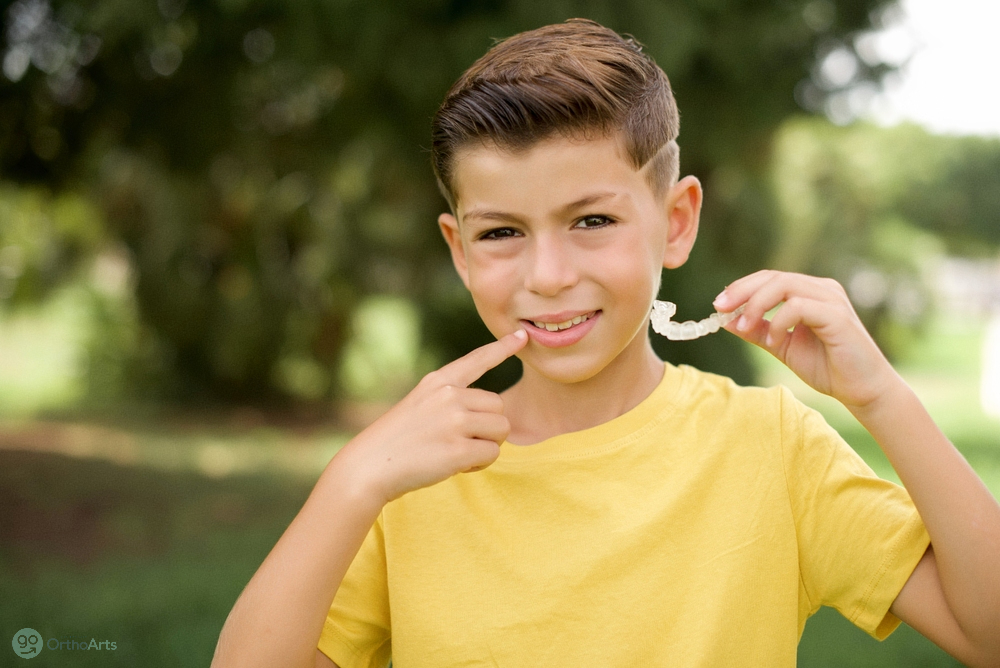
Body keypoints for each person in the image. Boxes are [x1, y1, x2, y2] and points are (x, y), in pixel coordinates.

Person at [211, 19, 1000, 668]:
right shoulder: (408, 477)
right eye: (501, 233)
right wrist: (349, 484)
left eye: (592, 221)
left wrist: (882, 398)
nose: (548, 274)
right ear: (458, 249)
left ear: (677, 222)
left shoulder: (771, 448)